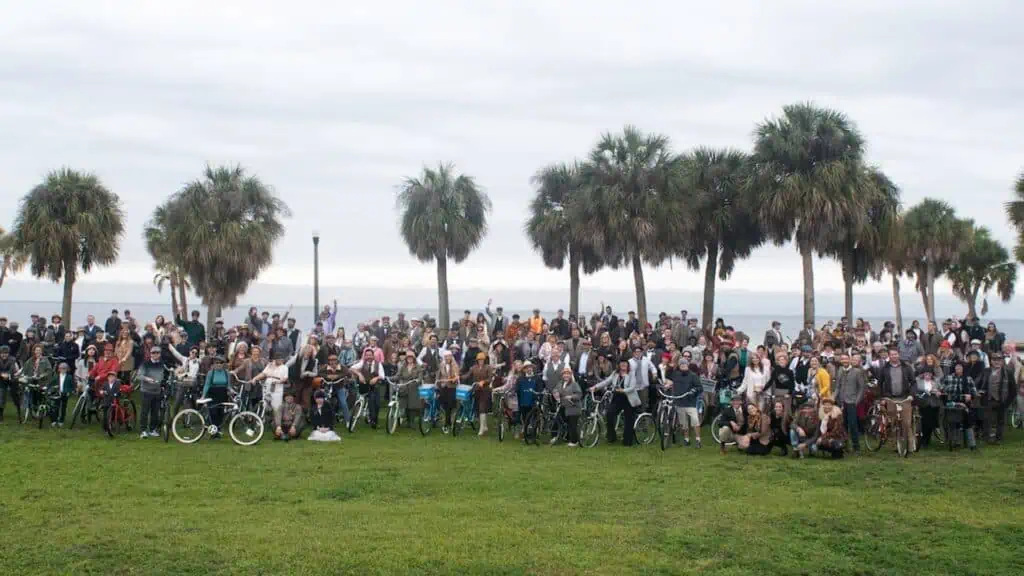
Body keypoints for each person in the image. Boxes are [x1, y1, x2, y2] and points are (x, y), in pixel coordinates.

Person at [592, 360, 640, 446]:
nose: (623, 365)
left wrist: (623, 390)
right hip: (617, 398)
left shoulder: (631, 373)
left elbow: (632, 387)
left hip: (629, 398)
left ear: (628, 366)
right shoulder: (615, 373)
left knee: (629, 419)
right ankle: (611, 436)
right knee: (609, 414)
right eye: (621, 364)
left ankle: (627, 441)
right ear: (619, 365)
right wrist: (595, 387)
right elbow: (606, 382)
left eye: (625, 364)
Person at [878, 347, 916, 452]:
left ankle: (910, 446)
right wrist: (882, 398)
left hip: (905, 398)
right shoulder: (884, 368)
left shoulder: (906, 367)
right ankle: (897, 445)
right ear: (889, 356)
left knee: (906, 423)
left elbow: (913, 382)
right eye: (892, 354)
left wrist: (911, 395)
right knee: (894, 423)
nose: (894, 356)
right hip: (890, 399)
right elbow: (880, 384)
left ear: (899, 355)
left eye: (895, 354)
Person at [666, 355, 703, 447]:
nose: (683, 366)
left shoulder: (693, 376)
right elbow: (667, 375)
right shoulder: (676, 374)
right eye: (681, 364)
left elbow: (700, 387)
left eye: (684, 364)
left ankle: (698, 440)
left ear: (688, 365)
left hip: (690, 403)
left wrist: (694, 391)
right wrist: (670, 367)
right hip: (679, 402)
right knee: (684, 423)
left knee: (695, 421)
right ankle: (686, 439)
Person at [833, 353, 866, 454]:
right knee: (843, 425)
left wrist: (857, 401)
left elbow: (861, 387)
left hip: (852, 402)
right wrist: (833, 397)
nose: (844, 361)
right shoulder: (839, 370)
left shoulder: (857, 372)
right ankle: (845, 445)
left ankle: (856, 447)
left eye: (846, 359)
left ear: (850, 360)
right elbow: (837, 386)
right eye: (842, 359)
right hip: (842, 402)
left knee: (853, 425)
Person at [979, 354, 1015, 443]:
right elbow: (978, 382)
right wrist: (980, 393)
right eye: (994, 360)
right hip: (988, 399)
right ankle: (987, 438)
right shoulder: (986, 371)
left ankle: (998, 438)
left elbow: (1013, 389)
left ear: (1002, 361)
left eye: (999, 360)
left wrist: (1007, 402)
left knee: (1001, 420)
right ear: (991, 361)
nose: (997, 362)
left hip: (1002, 400)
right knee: (987, 420)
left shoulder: (1008, 372)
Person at [136, 347, 168, 438]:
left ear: (160, 354)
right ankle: (143, 431)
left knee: (155, 412)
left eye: (157, 353)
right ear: (150, 354)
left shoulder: (162, 364)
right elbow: (139, 376)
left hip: (157, 391)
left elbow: (167, 373)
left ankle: (152, 430)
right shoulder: (145, 364)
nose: (155, 354)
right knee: (145, 411)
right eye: (153, 353)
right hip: (146, 391)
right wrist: (147, 379)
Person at [350, 347, 385, 428]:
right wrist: (359, 374)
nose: (368, 357)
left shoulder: (378, 364)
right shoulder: (362, 362)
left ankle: (374, 421)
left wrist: (376, 378)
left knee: (375, 404)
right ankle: (362, 414)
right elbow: (351, 368)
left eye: (370, 355)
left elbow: (382, 376)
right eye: (367, 355)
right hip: (364, 385)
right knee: (364, 399)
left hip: (374, 386)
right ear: (365, 356)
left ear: (373, 356)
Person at [201, 355, 231, 438]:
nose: (219, 365)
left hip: (223, 393)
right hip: (213, 393)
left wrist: (231, 391)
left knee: (221, 413)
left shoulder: (226, 373)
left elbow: (228, 385)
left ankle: (218, 430)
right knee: (213, 412)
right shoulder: (211, 373)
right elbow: (207, 385)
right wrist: (203, 395)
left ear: (223, 364)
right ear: (214, 364)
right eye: (217, 363)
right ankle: (213, 432)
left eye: (221, 363)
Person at [555, 366, 582, 447]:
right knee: (559, 420)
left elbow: (579, 394)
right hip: (564, 406)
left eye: (568, 374)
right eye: (564, 374)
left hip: (573, 406)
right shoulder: (560, 383)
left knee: (572, 424)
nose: (566, 375)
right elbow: (555, 389)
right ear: (562, 375)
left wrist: (571, 397)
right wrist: (555, 393)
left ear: (570, 375)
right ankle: (562, 436)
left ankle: (574, 441)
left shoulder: (574, 384)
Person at [0, 345, 21, 423]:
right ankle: (1, 414)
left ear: (8, 353)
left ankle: (19, 412)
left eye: (6, 353)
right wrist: (2, 375)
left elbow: (12, 369)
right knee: (1, 396)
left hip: (12, 379)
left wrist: (8, 375)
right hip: (1, 379)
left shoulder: (13, 359)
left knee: (15, 395)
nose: (4, 354)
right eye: (2, 353)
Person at [51, 361, 75, 426]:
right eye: (61, 368)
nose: (63, 370)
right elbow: (51, 383)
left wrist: (69, 392)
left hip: (65, 394)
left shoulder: (69, 377)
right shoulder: (56, 376)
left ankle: (61, 420)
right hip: (57, 393)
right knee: (56, 407)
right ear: (59, 369)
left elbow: (72, 386)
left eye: (64, 369)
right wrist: (52, 388)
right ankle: (54, 420)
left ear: (67, 369)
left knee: (63, 407)